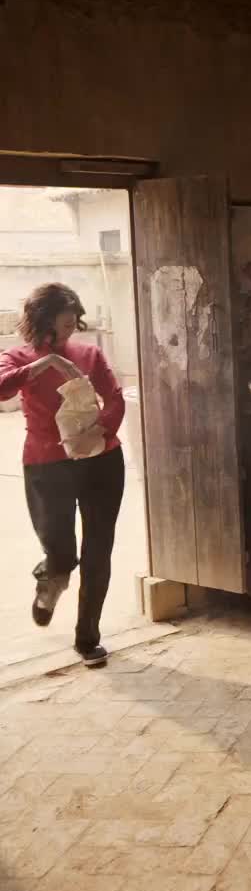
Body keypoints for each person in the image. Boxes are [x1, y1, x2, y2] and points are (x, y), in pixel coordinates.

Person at [0, 283, 126, 666]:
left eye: (75, 315)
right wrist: (47, 363)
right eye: (65, 315)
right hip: (47, 465)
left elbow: (115, 398)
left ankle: (88, 638)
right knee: (61, 553)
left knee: (98, 550)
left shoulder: (89, 353)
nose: (73, 322)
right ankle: (51, 579)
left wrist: (100, 429)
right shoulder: (17, 356)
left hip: (101, 459)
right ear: (43, 318)